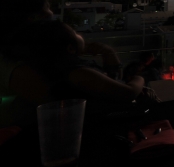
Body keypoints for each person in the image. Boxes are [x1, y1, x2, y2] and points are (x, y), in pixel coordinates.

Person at [22, 20, 155, 105]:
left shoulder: (74, 67)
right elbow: (128, 93)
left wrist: (108, 52)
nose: (80, 34)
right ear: (70, 47)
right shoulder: (78, 74)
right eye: (75, 33)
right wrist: (140, 78)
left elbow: (114, 79)